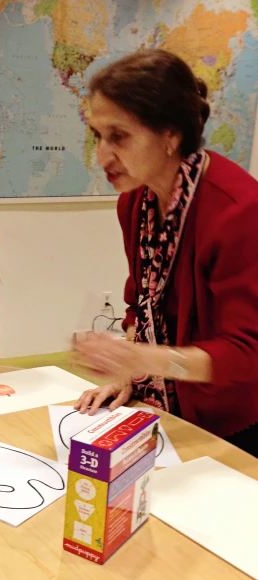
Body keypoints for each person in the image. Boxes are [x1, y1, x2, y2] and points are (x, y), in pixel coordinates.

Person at [74, 49, 258, 457]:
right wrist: (127, 371)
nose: (101, 156)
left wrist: (140, 358)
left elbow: (247, 355)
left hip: (231, 426)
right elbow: (139, 301)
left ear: (170, 136)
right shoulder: (134, 202)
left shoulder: (239, 210)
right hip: (163, 410)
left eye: (118, 136)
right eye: (97, 136)